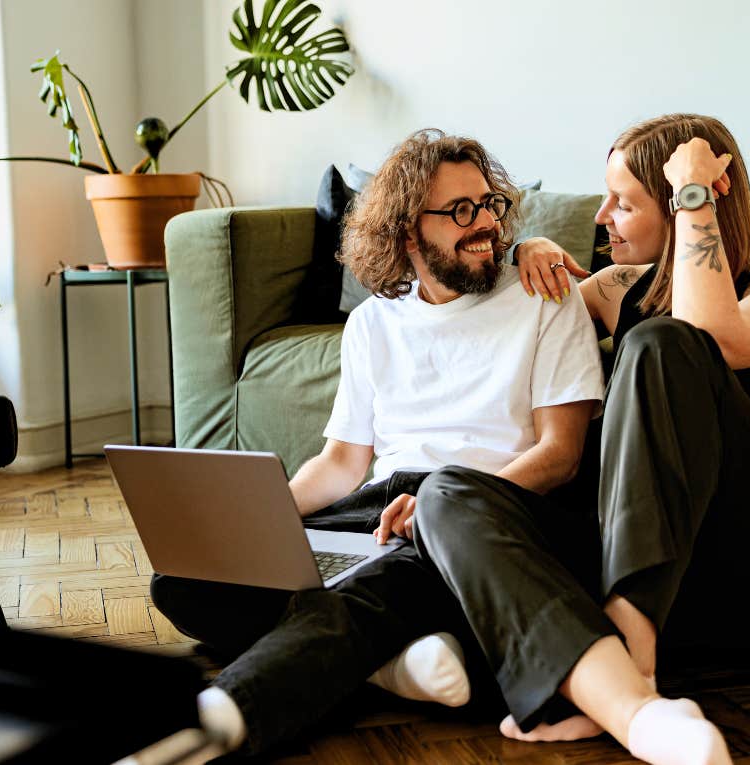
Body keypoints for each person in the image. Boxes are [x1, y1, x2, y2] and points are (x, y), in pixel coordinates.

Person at [148, 128, 613, 756]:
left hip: (476, 513)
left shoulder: (543, 298)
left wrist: (445, 506)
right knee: (188, 582)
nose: (484, 226)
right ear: (404, 232)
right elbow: (342, 463)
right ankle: (397, 664)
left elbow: (561, 454)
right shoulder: (371, 323)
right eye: (458, 211)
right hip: (373, 508)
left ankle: (210, 724)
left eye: (489, 205)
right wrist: (258, 520)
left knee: (368, 591)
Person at [406, 113, 750, 764]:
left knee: (664, 343)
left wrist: (693, 190)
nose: (602, 216)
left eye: (624, 202)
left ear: (684, 206)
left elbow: (709, 334)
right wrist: (533, 247)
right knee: (447, 495)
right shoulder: (610, 288)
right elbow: (522, 309)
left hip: (745, 566)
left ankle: (627, 652)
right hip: (642, 568)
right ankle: (607, 685)